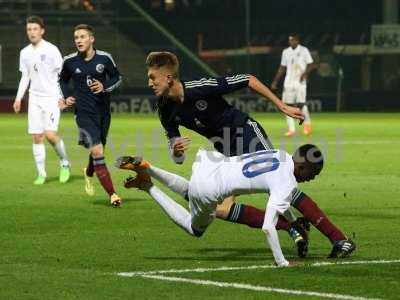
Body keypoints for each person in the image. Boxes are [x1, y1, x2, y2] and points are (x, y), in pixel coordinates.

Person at [145, 51, 355, 258]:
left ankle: (338, 238)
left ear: (169, 77)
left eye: (153, 77)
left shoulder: (199, 88)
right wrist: (176, 151)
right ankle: (292, 226)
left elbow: (247, 79)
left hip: (245, 133)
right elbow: (178, 156)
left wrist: (280, 105)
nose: (150, 83)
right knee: (222, 209)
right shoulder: (165, 109)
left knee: (283, 182)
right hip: (225, 151)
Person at [116, 144, 326, 266]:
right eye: (313, 173)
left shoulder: (280, 154)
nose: (313, 178)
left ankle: (148, 167)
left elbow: (281, 201)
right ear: (301, 165)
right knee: (193, 227)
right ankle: (147, 186)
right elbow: (268, 227)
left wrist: (291, 221)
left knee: (192, 192)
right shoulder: (287, 181)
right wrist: (282, 262)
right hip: (209, 190)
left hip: (209, 163)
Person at [59, 24, 122, 207]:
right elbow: (62, 80)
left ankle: (89, 171)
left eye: (82, 37)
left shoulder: (105, 58)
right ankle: (113, 194)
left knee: (99, 148)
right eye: (76, 37)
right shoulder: (70, 61)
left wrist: (105, 87)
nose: (79, 40)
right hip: (83, 114)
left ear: (91, 39)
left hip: (103, 113)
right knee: (98, 151)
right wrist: (67, 97)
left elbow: (118, 78)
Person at [13, 15, 71, 185]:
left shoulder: (51, 50)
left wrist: (62, 97)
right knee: (37, 137)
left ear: (42, 31)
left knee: (50, 135)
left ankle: (65, 163)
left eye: (35, 29)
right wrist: (18, 98)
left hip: (52, 97)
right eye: (29, 29)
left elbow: (62, 75)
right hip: (34, 99)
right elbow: (25, 77)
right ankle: (41, 174)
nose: (32, 32)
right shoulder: (24, 53)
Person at [271, 33, 316, 137]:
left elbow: (311, 64)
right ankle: (291, 130)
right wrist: (275, 81)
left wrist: (304, 74)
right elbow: (282, 67)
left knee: (301, 104)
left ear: (298, 41)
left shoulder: (304, 50)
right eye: (290, 40)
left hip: (300, 82)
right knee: (287, 106)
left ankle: (307, 125)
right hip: (288, 82)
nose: (292, 42)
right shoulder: (286, 52)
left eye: (294, 40)